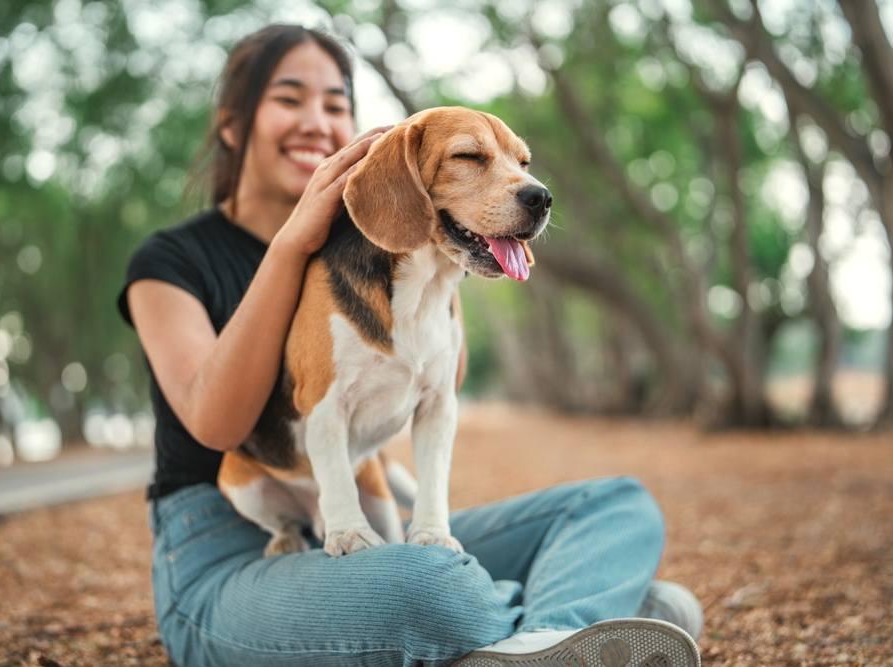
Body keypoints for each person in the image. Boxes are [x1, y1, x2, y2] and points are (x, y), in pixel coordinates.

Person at [118, 23, 704, 667]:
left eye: (337, 104)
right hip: (223, 553)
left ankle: (543, 640)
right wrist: (293, 243)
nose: (317, 120)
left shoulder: (394, 239)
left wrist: (450, 253)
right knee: (430, 587)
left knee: (616, 504)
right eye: (290, 98)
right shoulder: (169, 261)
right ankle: (586, 616)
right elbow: (214, 424)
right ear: (232, 123)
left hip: (372, 514)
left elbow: (438, 387)